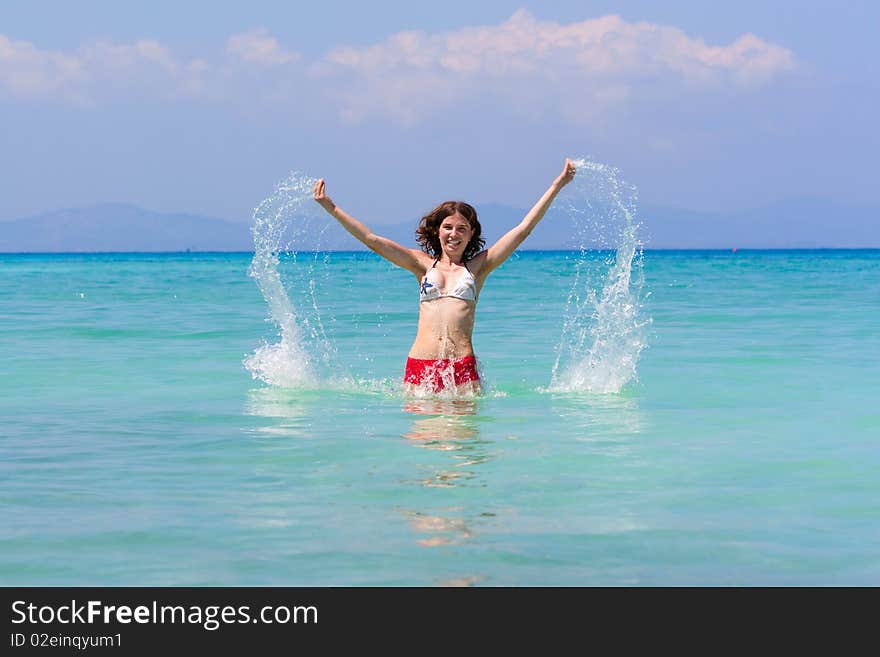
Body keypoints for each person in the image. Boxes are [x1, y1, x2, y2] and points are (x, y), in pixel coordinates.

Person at [313, 158, 577, 394]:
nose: (454, 234)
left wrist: (557, 186)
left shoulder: (478, 267)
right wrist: (331, 208)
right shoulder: (422, 265)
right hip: (421, 366)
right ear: (437, 231)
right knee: (421, 444)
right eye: (447, 227)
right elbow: (371, 240)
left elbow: (522, 230)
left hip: (461, 369)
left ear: (471, 233)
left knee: (463, 445)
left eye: (462, 228)